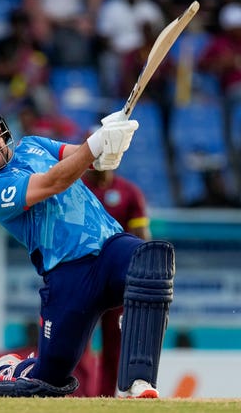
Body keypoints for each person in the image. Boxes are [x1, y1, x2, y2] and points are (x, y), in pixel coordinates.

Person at [0, 101, 175, 398]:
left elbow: (91, 163)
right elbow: (55, 181)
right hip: (68, 275)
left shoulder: (33, 144)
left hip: (108, 248)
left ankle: (140, 382)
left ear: (2, 130)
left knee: (152, 261)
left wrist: (113, 145)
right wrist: (96, 142)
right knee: (49, 381)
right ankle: (6, 371)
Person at [80, 166, 151, 397]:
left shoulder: (129, 192)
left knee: (115, 346)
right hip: (82, 279)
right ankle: (78, 398)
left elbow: (142, 237)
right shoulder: (76, 188)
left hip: (118, 282)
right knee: (76, 345)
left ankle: (105, 398)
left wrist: (143, 274)